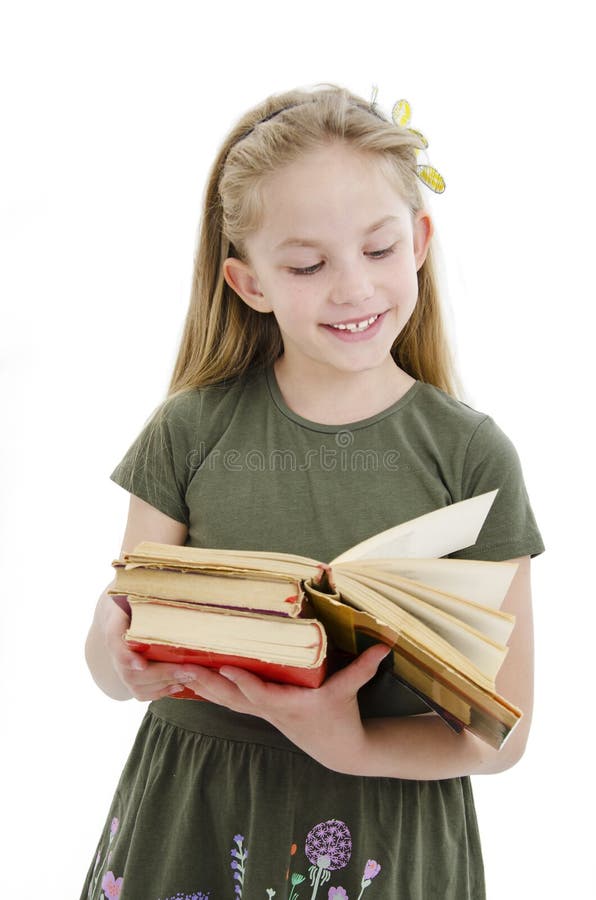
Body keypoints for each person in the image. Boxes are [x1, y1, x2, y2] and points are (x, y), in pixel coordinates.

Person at [82, 84, 544, 900]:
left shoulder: (473, 456)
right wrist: (117, 658)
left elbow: (501, 738)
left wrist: (350, 747)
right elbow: (115, 640)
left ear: (420, 241)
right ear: (250, 282)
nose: (354, 289)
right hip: (196, 811)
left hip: (385, 828)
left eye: (378, 249)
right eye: (306, 264)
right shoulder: (189, 429)